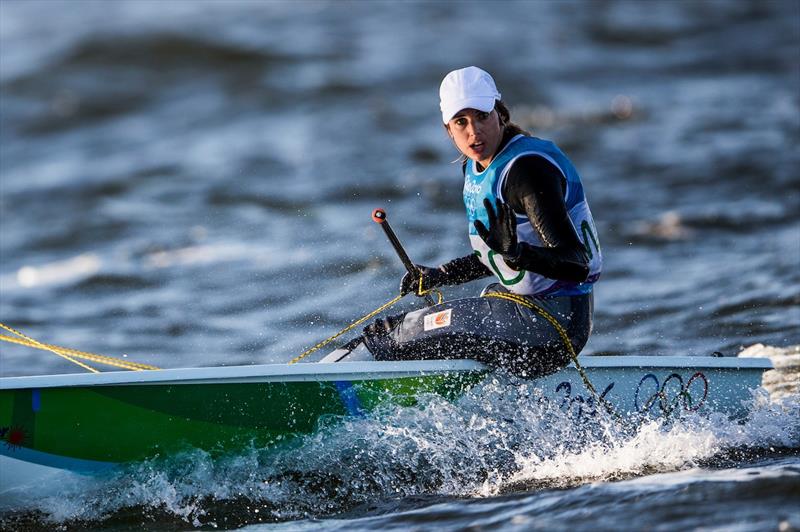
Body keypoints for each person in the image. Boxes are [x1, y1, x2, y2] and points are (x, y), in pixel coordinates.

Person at [360, 66, 602, 378]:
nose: (474, 131)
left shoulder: (526, 171)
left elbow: (576, 263)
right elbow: (496, 257)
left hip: (554, 327)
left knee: (393, 335)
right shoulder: (476, 169)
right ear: (448, 129)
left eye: (482, 116)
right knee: (405, 330)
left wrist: (517, 253)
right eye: (461, 122)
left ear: (500, 115)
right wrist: (440, 274)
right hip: (527, 315)